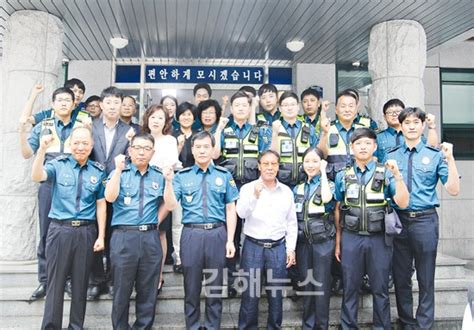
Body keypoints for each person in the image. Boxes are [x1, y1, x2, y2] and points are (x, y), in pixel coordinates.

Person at [386, 107, 460, 329]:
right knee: (401, 278)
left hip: (425, 221)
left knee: (426, 277)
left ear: (422, 125)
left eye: (415, 122)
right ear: (400, 126)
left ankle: (424, 324)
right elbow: (395, 195)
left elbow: (454, 189)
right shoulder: (391, 155)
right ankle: (407, 322)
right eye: (406, 122)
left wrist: (451, 159)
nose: (411, 126)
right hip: (399, 221)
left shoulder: (435, 154)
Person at [334, 127, 409, 329]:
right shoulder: (343, 175)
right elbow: (339, 208)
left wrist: (398, 176)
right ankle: (348, 326)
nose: (363, 147)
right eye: (358, 143)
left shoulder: (386, 174)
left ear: (375, 147)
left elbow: (402, 202)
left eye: (367, 143)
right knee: (350, 288)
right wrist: (339, 242)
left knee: (380, 288)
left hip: (379, 239)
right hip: (351, 237)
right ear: (351, 148)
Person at [31, 126, 106, 329]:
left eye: (85, 143)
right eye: (76, 143)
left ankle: (76, 326)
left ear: (91, 146)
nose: (80, 147)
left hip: (86, 232)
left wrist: (101, 236)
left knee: (81, 284)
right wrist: (41, 151)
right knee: (55, 283)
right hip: (60, 230)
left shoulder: (98, 171)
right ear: (70, 145)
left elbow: (101, 204)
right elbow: (37, 176)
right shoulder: (58, 164)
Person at [19, 87, 89, 300]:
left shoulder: (81, 126)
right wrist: (22, 133)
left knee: (69, 234)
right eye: (59, 100)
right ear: (53, 104)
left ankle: (66, 279)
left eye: (68, 100)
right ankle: (45, 280)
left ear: (74, 104)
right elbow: (25, 153)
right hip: (49, 184)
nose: (64, 103)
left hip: (75, 185)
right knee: (46, 232)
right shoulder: (43, 126)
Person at [167, 130, 239, 329]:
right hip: (191, 234)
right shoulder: (182, 176)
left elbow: (231, 208)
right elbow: (172, 205)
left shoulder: (224, 175)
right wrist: (168, 182)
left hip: (217, 233)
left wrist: (230, 239)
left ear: (213, 149)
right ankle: (192, 326)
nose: (202, 150)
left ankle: (212, 326)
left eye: (206, 146)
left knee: (215, 287)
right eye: (198, 147)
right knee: (191, 287)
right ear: (192, 149)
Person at [105, 133, 175, 329]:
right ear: (130, 150)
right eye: (137, 148)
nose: (141, 152)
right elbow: (109, 197)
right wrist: (117, 171)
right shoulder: (120, 172)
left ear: (153, 153)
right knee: (121, 291)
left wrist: (169, 182)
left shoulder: (159, 175)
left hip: (150, 238)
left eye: (146, 148)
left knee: (148, 291)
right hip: (123, 237)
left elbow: (170, 204)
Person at [212, 90, 270, 297]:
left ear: (249, 108)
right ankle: (230, 281)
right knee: (232, 236)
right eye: (237, 106)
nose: (241, 109)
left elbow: (266, 159)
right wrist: (218, 130)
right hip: (230, 189)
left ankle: (256, 280)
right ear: (232, 108)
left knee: (256, 235)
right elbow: (215, 155)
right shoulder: (224, 130)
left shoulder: (258, 131)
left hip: (254, 189)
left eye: (244, 105)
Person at [236, 149, 297, 329]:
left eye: (273, 164)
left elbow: (291, 223)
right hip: (253, 246)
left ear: (278, 167)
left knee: (276, 294)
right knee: (250, 294)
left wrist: (290, 249)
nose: (270, 168)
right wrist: (255, 196)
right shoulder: (248, 188)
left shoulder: (286, 192)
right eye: (266, 164)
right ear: (259, 166)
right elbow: (241, 213)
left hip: (278, 247)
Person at [88, 86, 132, 300]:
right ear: (102, 104)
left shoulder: (130, 130)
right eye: (109, 102)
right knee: (96, 234)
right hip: (94, 190)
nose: (113, 107)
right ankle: (97, 281)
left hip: (118, 190)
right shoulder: (90, 127)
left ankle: (114, 280)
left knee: (115, 237)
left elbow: (131, 159)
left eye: (117, 103)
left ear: (121, 105)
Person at [293, 147, 335, 329]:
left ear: (322, 163)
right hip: (303, 244)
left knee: (322, 286)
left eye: (315, 161)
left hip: (323, 243)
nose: (311, 165)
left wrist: (324, 172)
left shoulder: (329, 184)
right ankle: (308, 325)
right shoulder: (298, 188)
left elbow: (326, 199)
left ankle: (321, 325)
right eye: (307, 161)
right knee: (307, 284)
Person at [142, 104, 182, 293]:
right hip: (141, 191)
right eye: (153, 117)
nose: (156, 121)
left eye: (160, 117)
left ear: (165, 121)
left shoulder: (169, 140)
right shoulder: (140, 138)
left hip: (162, 189)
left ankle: (158, 276)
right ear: (147, 119)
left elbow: (171, 163)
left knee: (159, 232)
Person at [318, 89, 376, 180]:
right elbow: (321, 155)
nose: (347, 110)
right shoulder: (329, 129)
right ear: (336, 110)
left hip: (360, 181)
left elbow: (372, 158)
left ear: (356, 109)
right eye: (343, 106)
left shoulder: (364, 130)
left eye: (351, 106)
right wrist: (325, 133)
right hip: (333, 182)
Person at [270, 91, 319, 188]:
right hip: (280, 183)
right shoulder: (273, 128)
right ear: (279, 108)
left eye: (292, 104)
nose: (289, 108)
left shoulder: (309, 129)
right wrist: (275, 133)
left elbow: (317, 154)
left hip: (305, 182)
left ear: (298, 106)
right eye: (285, 105)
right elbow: (270, 156)